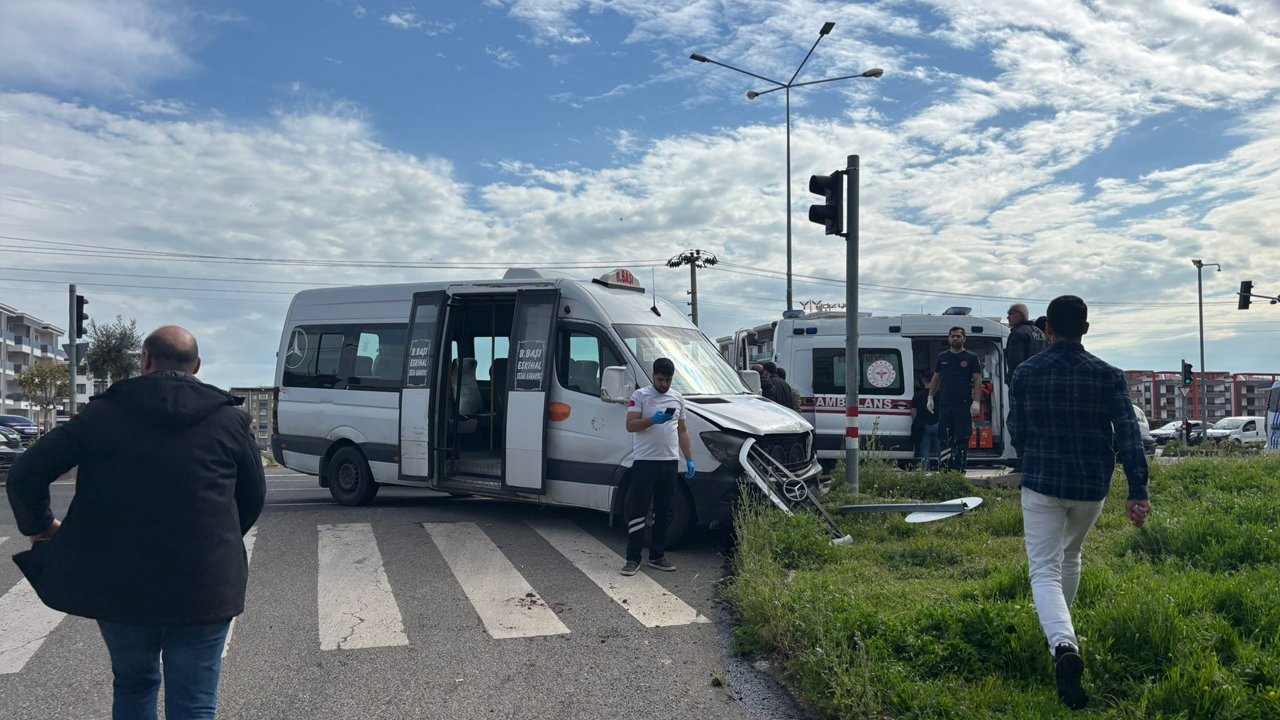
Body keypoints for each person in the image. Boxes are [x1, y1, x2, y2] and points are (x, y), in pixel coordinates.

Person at [7, 326, 266, 720]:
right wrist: (217, 539)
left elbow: (25, 474)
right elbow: (252, 498)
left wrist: (42, 528)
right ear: (196, 366)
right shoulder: (230, 421)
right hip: (207, 584)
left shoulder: (101, 415)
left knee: (134, 685)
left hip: (120, 584)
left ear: (145, 360)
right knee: (195, 702)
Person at [1008, 295, 1150, 710]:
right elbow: (1128, 434)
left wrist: (1031, 455)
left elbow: (1018, 428)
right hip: (1091, 485)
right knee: (1070, 555)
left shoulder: (1026, 372)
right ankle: (1060, 635)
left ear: (1046, 329)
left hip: (1041, 480)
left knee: (1043, 569)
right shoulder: (1109, 375)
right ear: (1085, 329)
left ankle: (1062, 644)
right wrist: (1137, 490)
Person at [622, 357, 695, 576]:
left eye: (668, 380)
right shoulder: (641, 395)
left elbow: (682, 430)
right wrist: (653, 420)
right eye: (660, 379)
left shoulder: (677, 398)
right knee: (639, 511)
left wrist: (689, 458)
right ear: (653, 376)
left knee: (663, 511)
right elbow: (630, 425)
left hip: (669, 463)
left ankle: (657, 556)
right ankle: (632, 558)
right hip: (645, 462)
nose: (664, 384)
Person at [927, 327, 983, 472]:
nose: (955, 339)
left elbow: (977, 379)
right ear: (948, 338)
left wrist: (977, 401)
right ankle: (944, 469)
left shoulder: (971, 357)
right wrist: (930, 397)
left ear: (964, 339)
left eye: (958, 336)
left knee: (962, 438)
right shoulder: (942, 357)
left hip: (963, 404)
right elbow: (936, 377)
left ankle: (959, 470)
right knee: (945, 438)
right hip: (945, 404)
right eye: (952, 336)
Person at [1005, 303, 1049, 382]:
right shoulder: (1040, 332)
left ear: (1021, 315)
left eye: (1011, 314)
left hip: (1024, 383)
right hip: (1042, 381)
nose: (1007, 317)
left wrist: (1012, 383)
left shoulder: (1018, 334)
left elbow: (1014, 363)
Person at [910, 372, 939, 471]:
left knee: (924, 450)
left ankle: (926, 471)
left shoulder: (918, 395)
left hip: (923, 425)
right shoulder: (939, 394)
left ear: (923, 381)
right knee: (941, 449)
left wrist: (915, 423)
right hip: (937, 424)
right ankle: (944, 469)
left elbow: (913, 412)